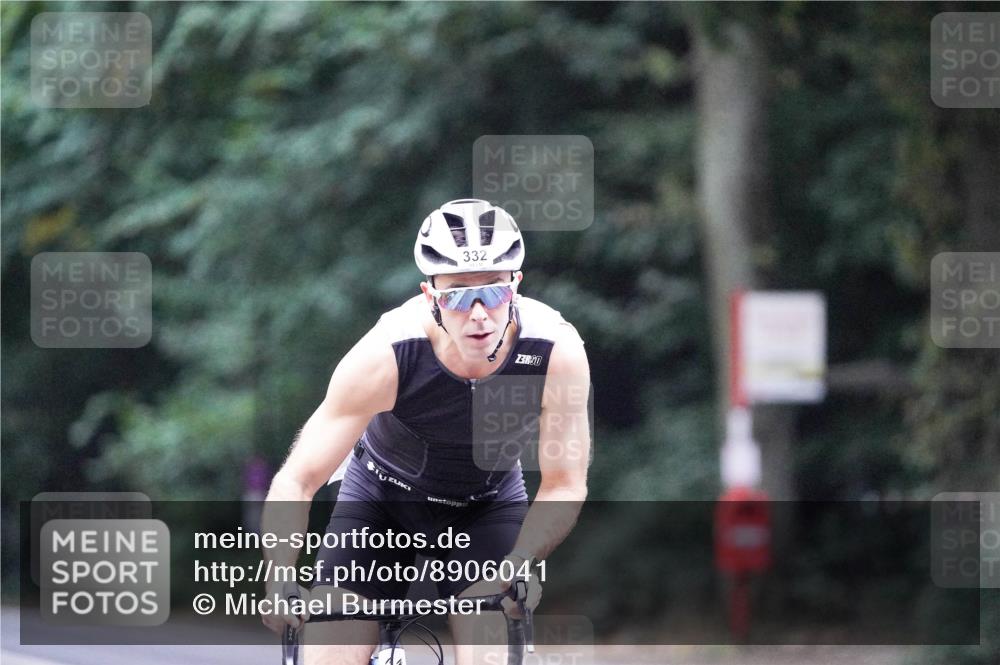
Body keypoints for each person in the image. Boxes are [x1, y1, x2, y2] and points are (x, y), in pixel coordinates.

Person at [260, 199, 590, 665]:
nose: (478, 313)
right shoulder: (387, 355)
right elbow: (299, 478)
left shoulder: (555, 351)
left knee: (493, 654)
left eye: (492, 292)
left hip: (485, 507)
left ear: (515, 286)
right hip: (380, 501)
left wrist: (522, 560)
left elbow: (564, 482)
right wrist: (279, 574)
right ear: (430, 294)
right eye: (457, 295)